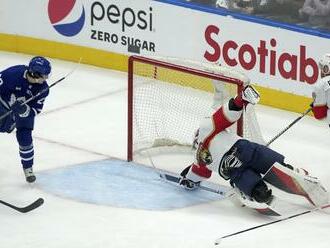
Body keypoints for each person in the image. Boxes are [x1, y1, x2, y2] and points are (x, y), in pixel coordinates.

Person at [179, 84, 328, 215]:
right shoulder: (204, 135)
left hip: (237, 169)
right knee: (277, 167)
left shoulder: (199, 157)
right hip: (248, 151)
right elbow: (224, 115)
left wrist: (188, 181)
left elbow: (197, 174)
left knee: (258, 190)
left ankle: (261, 194)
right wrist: (240, 99)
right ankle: (292, 173)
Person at [0, 56, 51, 183]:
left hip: (24, 113)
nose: (45, 79)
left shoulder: (43, 89)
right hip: (3, 105)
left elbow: (36, 110)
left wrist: (25, 111)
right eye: (44, 76)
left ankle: (28, 169)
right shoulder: (12, 74)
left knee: (25, 138)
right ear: (34, 74)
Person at [311, 53, 330, 126]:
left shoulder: (321, 84)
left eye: (322, 68)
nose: (321, 71)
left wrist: (315, 107)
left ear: (326, 69)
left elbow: (320, 116)